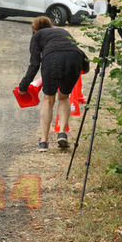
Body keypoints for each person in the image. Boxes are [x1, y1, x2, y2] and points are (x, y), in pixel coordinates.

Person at [18, 16, 85, 152]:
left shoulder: (37, 36)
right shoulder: (63, 31)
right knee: (64, 97)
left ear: (35, 29)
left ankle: (44, 142)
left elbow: (34, 64)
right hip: (74, 59)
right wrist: (84, 67)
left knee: (48, 99)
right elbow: (77, 51)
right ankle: (62, 133)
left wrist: (23, 86)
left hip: (52, 59)